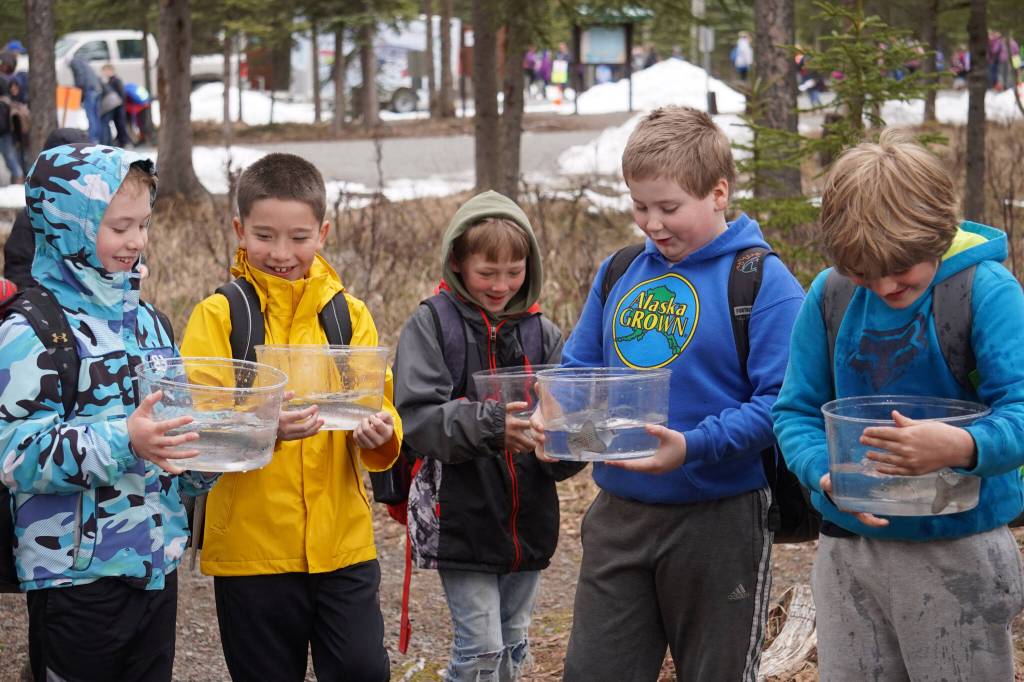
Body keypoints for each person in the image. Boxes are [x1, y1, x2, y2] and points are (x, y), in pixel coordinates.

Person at [531, 105, 805, 680]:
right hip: (619, 517)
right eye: (639, 206)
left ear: (719, 193)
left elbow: (779, 405)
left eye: (669, 208)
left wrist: (692, 446)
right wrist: (553, 417)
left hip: (719, 521)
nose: (652, 223)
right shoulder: (621, 270)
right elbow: (580, 369)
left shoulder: (761, 281)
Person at [772, 130, 1024, 680]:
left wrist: (960, 444)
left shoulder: (985, 292)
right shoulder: (833, 294)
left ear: (939, 234)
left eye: (901, 268)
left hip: (959, 547)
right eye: (864, 271)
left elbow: (1021, 407)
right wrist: (824, 474)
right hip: (849, 552)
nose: (884, 285)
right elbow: (795, 411)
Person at [180, 152, 401, 682]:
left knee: (363, 670)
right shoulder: (220, 316)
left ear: (323, 232)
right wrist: (267, 429)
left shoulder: (349, 315)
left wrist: (381, 435)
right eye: (264, 236)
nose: (281, 253)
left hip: (342, 544)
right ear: (239, 229)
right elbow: (199, 425)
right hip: (251, 550)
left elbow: (379, 405)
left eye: (299, 237)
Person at [0, 142, 215, 681]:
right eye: (119, 228)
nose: (137, 242)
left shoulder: (152, 325)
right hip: (74, 578)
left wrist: (223, 449)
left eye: (143, 225)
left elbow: (175, 440)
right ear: (70, 225)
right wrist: (126, 441)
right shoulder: (30, 329)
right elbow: (16, 454)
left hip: (155, 567)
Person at [393, 190, 585, 682]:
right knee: (480, 649)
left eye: (514, 272)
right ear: (457, 262)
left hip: (528, 523)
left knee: (515, 642)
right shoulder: (432, 324)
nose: (501, 285)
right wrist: (494, 426)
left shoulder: (546, 333)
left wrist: (562, 444)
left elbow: (566, 427)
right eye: (487, 273)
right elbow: (417, 418)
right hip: (461, 516)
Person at [3, 128, 90, 289]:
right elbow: (18, 273)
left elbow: (121, 245)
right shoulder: (32, 217)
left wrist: (138, 267)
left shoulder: (96, 211)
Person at [69, 56, 103, 142]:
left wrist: (78, 91)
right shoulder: (84, 62)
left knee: (91, 116)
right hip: (96, 89)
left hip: (89, 90)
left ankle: (92, 140)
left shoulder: (74, 62)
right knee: (96, 117)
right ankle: (98, 139)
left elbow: (79, 77)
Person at [100, 64, 130, 148]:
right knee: (117, 125)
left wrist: (121, 105)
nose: (104, 73)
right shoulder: (110, 81)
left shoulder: (116, 80)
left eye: (105, 70)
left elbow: (122, 94)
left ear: (110, 70)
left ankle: (126, 142)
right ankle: (121, 142)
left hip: (120, 107)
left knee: (121, 125)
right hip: (115, 107)